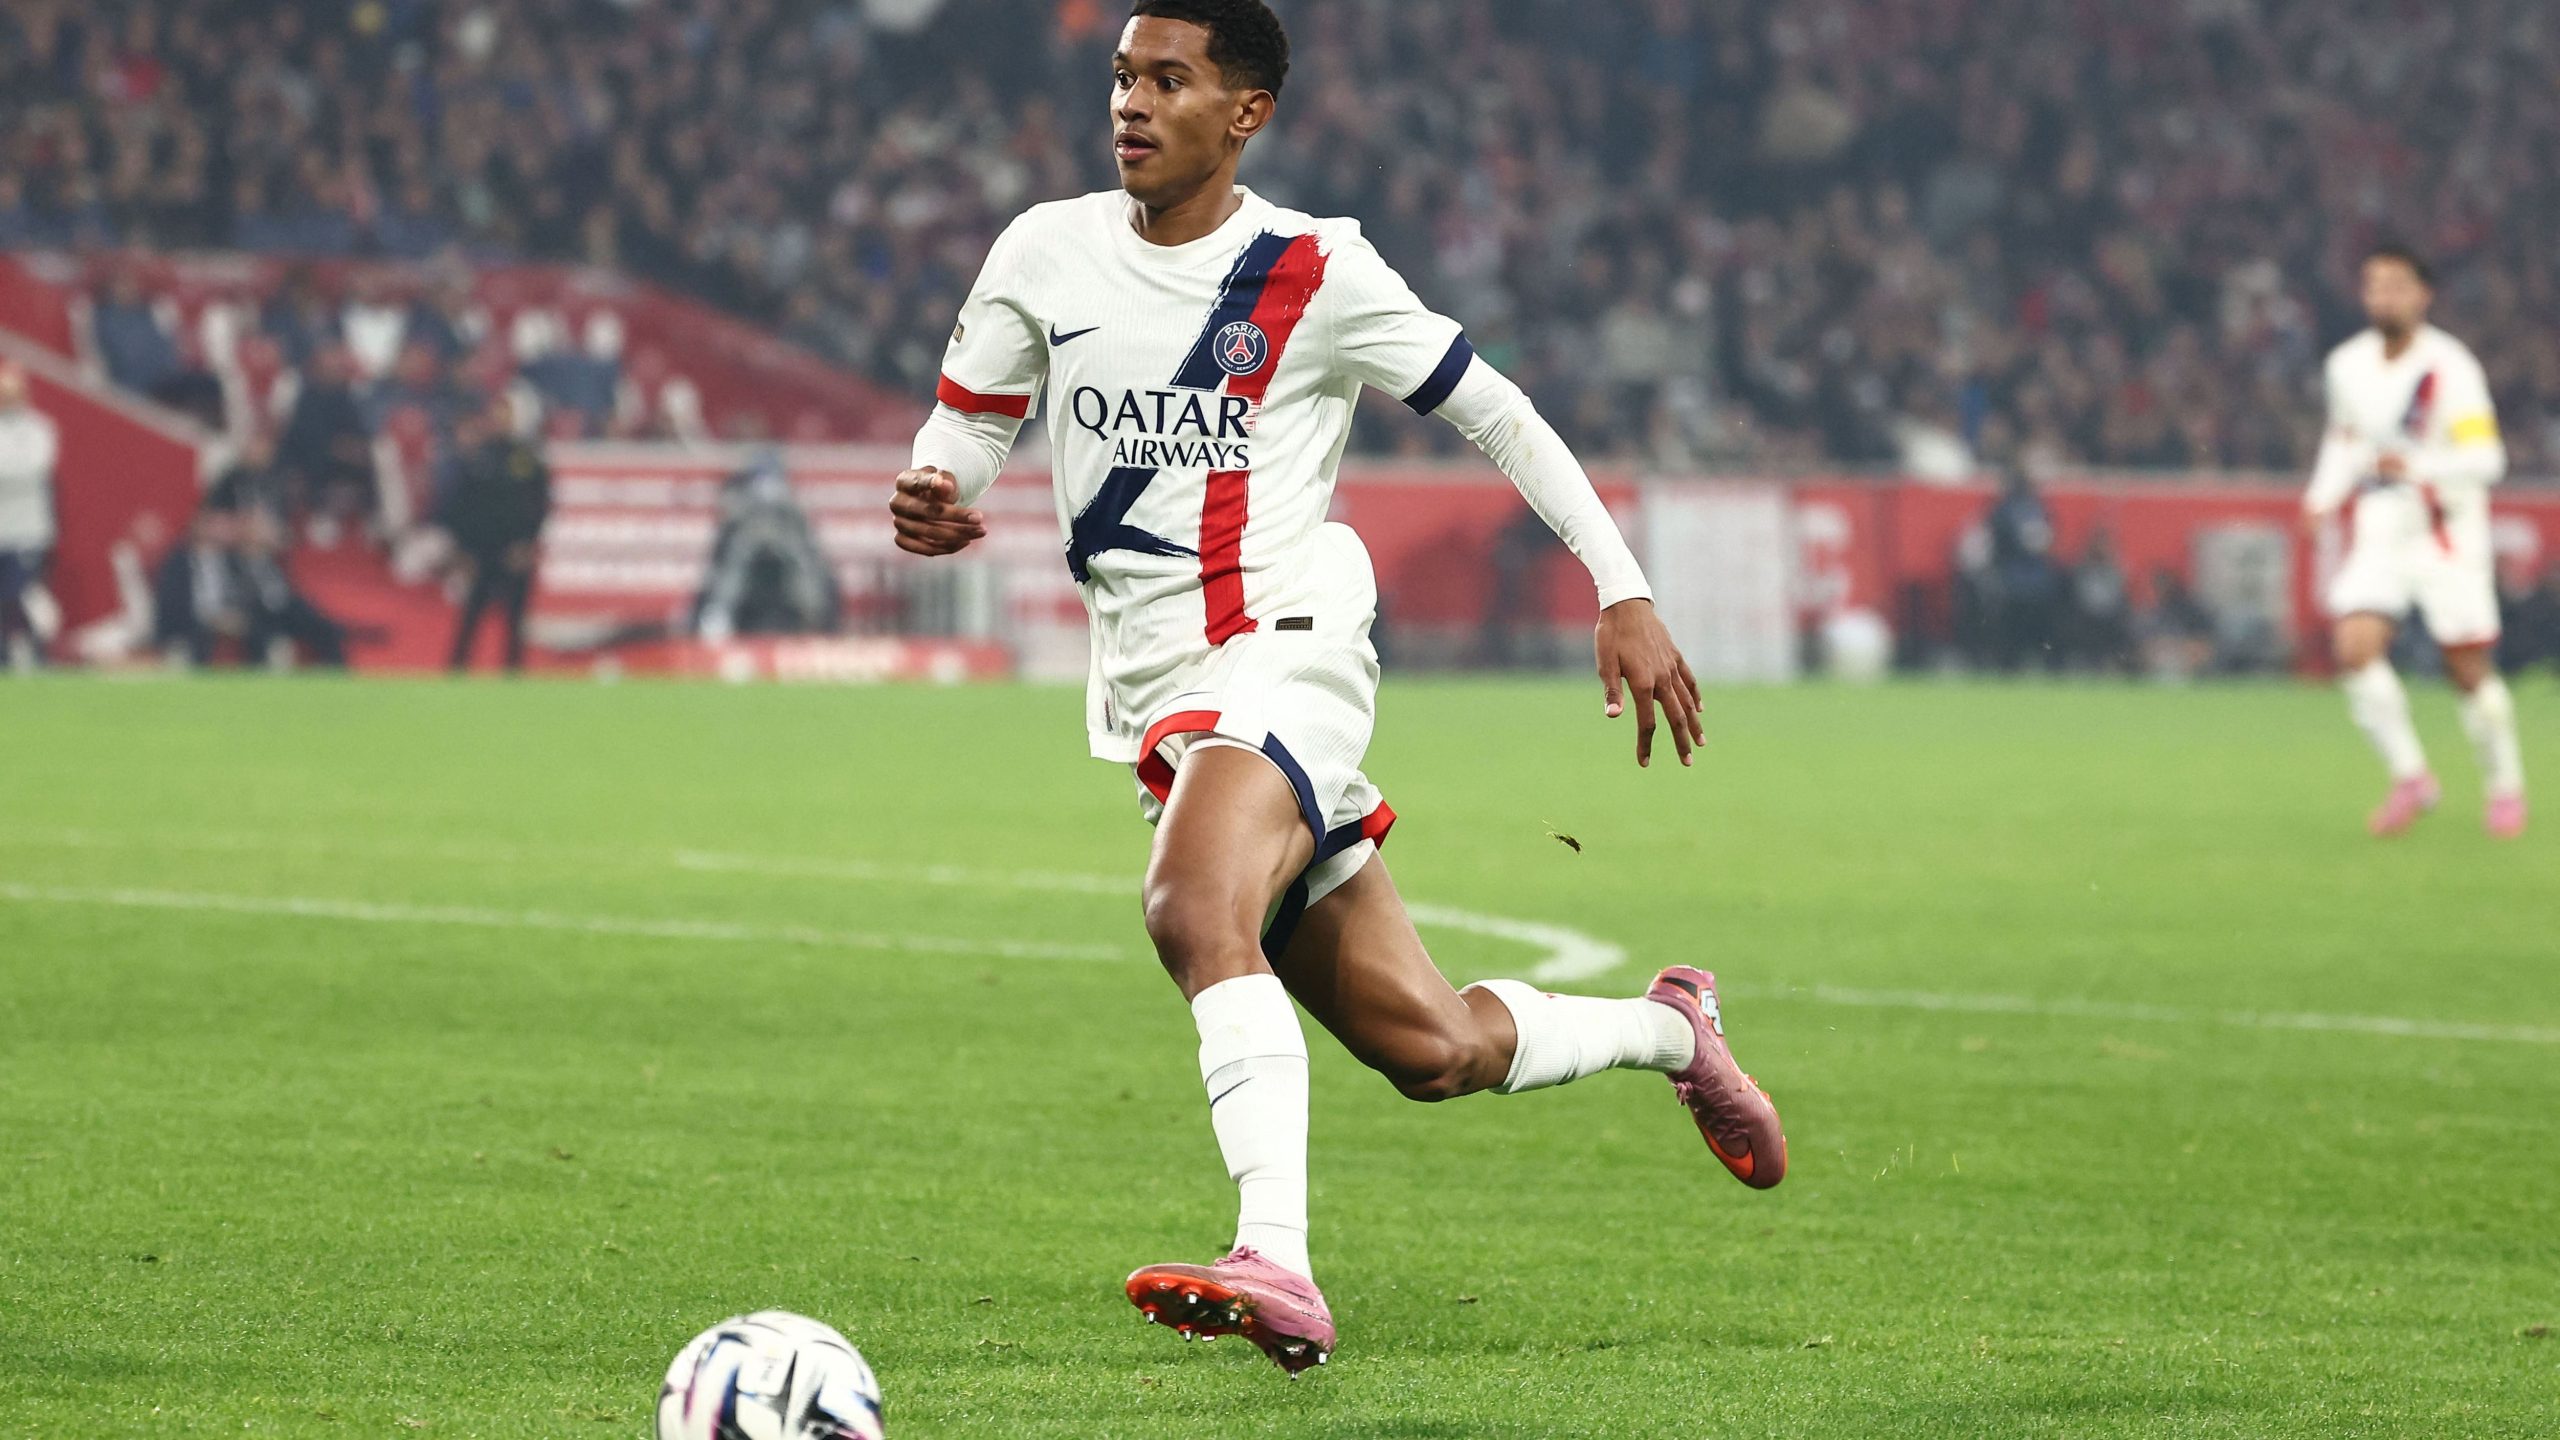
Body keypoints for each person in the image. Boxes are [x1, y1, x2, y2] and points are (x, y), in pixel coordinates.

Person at [887, 0, 1782, 1377]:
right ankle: (1674, 1029)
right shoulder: (1044, 251)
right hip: (1161, 691)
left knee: (1193, 908)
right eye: (1121, 77)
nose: (1130, 103)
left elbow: (1496, 410)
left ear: (1245, 111)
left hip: (1290, 637)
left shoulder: (1314, 267)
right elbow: (972, 420)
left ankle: (1277, 1261)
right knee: (1432, 1047)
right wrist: (941, 487)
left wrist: (1622, 586)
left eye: (1168, 79)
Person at [2301, 246, 2524, 838]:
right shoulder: (2347, 364)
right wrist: (2322, 497)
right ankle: (2412, 777)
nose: (2384, 297)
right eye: (2374, 285)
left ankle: (2504, 787)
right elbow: (2343, 439)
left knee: (2466, 668)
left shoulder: (2452, 367)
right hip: (2381, 528)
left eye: (2397, 286)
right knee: (2353, 646)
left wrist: (2419, 468)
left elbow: (2487, 458)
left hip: (2444, 532)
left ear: (2424, 295)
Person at [441, 393, 552, 673]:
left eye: (506, 415)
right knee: (471, 615)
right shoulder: (478, 456)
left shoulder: (528, 458)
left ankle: (512, 675)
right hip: (481, 552)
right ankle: (457, 672)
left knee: (515, 619)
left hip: (515, 551)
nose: (499, 421)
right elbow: (460, 505)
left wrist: (528, 543)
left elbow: (541, 504)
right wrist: (463, 549)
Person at [0, 361, 61, 669]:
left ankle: (38, 649)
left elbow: (38, 467)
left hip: (28, 531)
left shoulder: (39, 428)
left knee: (24, 594)